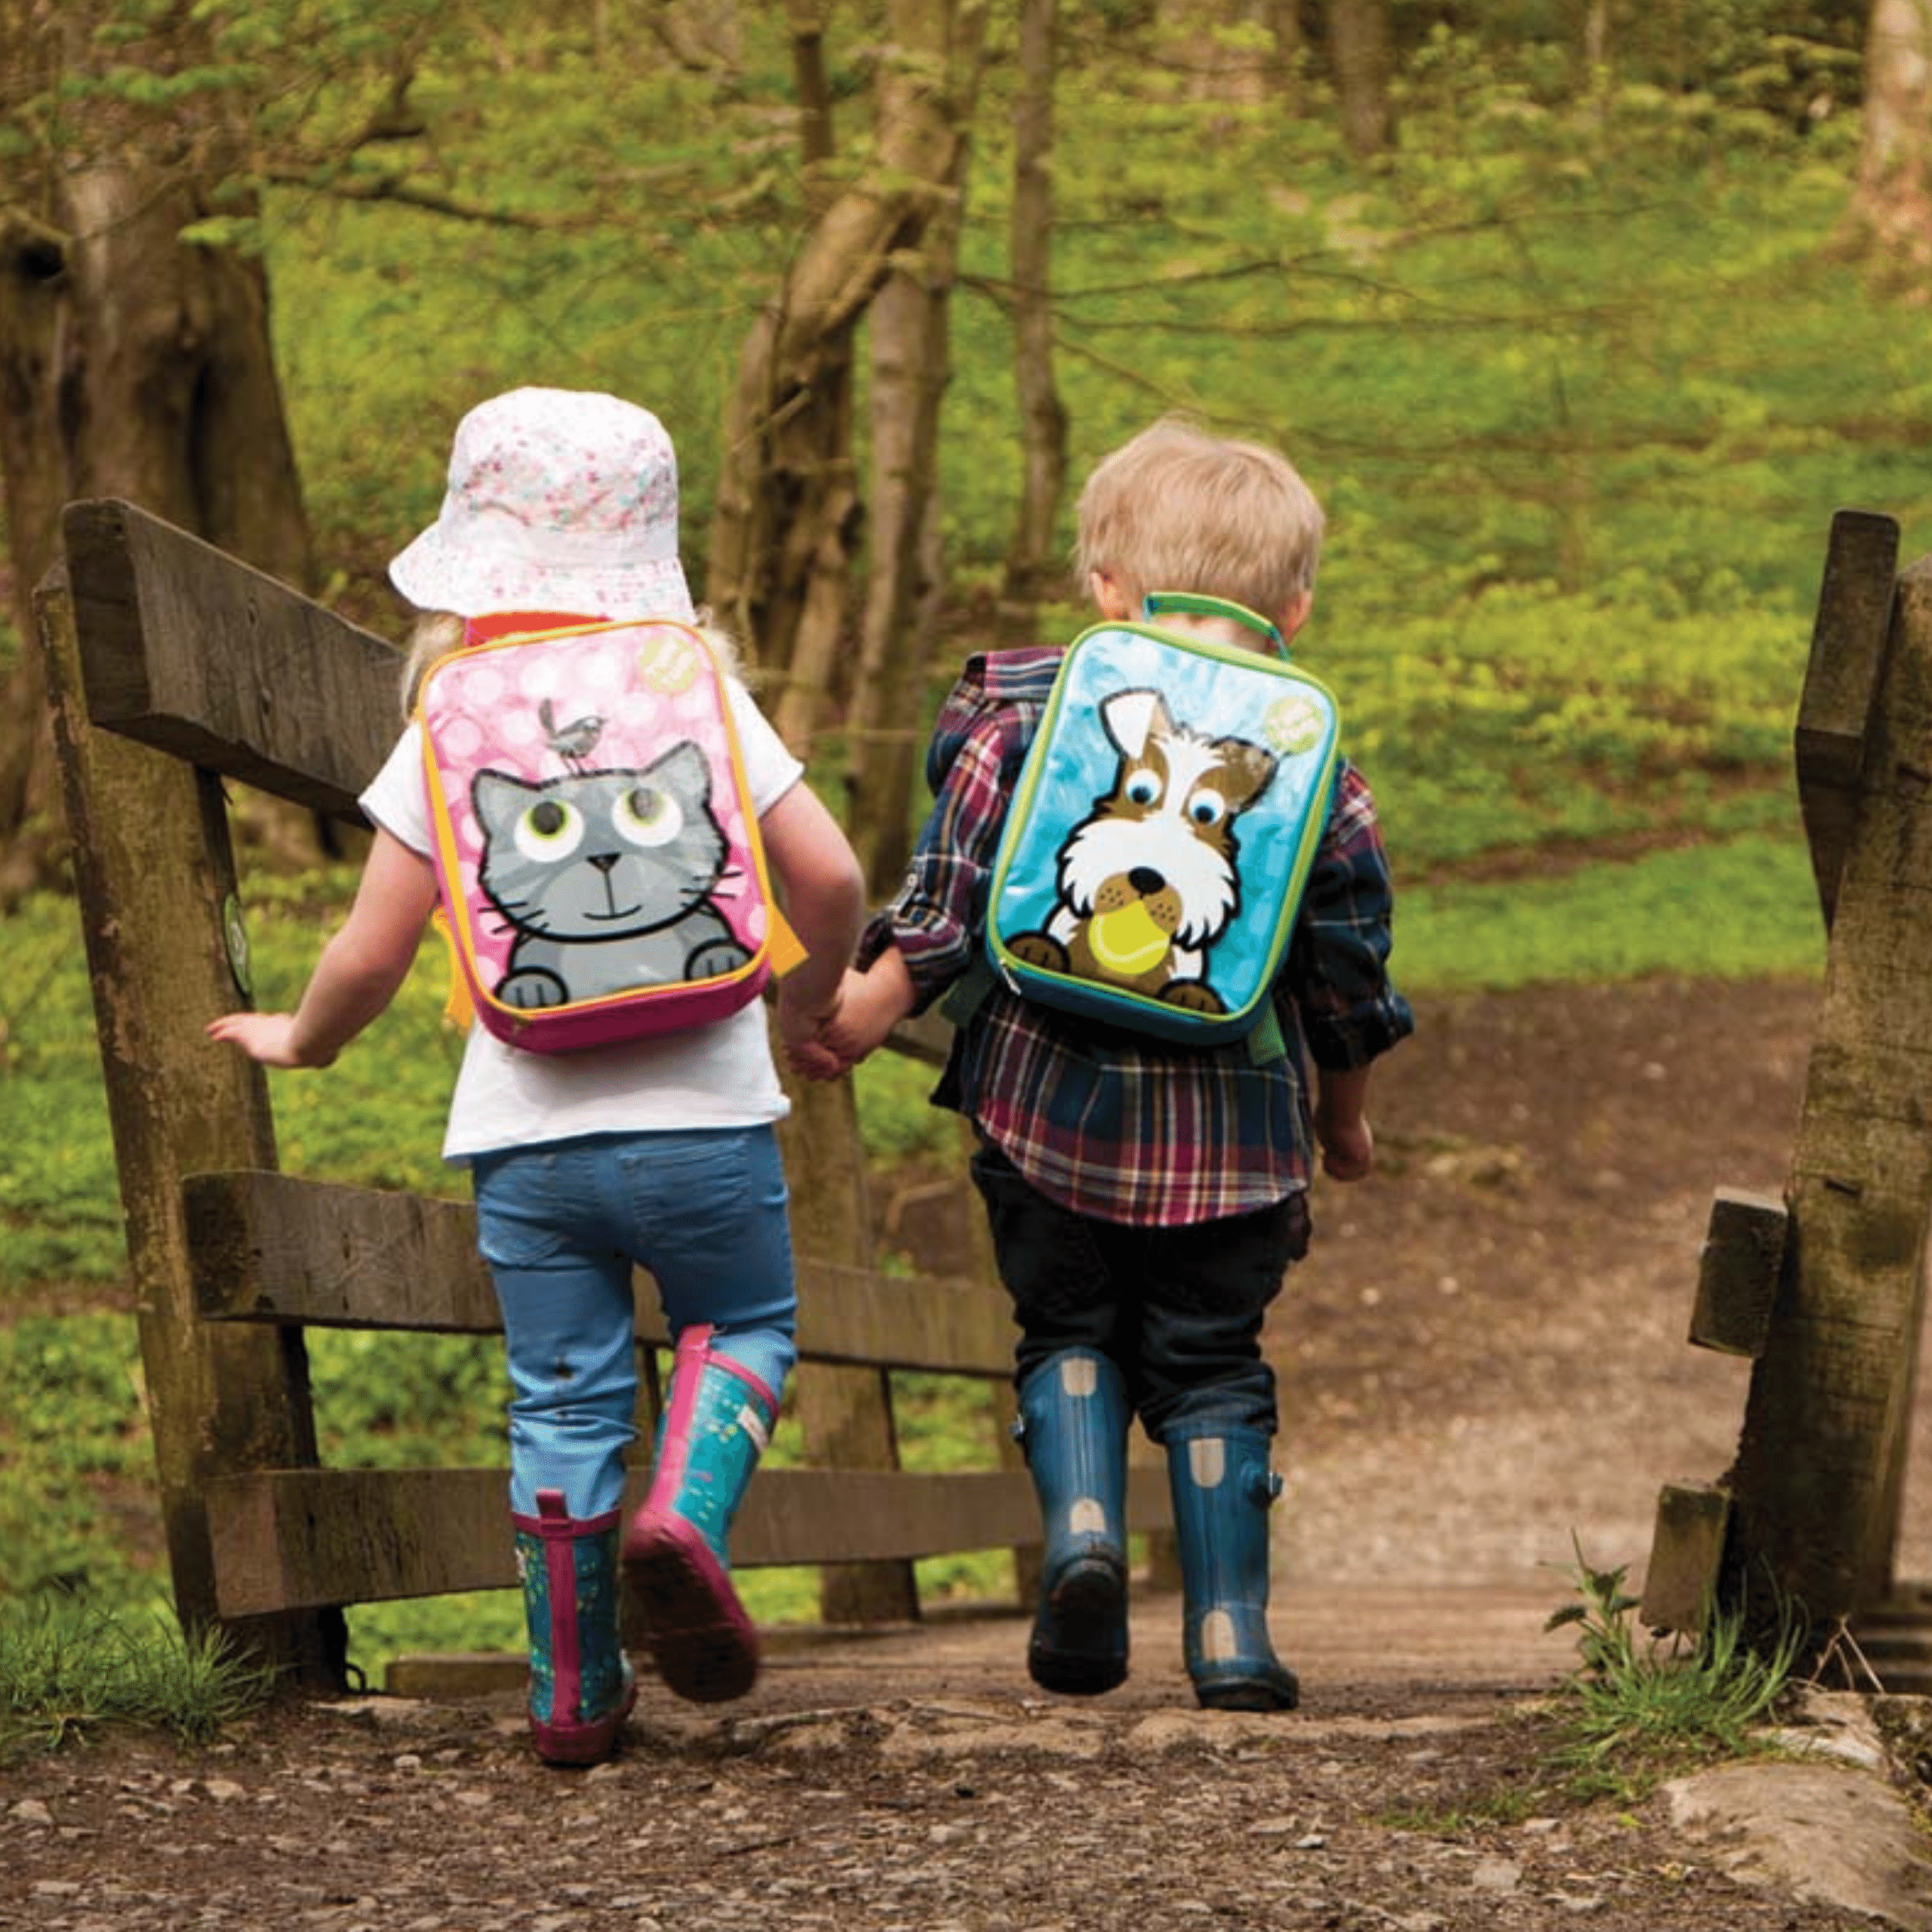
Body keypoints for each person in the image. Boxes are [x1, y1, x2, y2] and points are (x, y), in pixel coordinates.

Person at [208, 387, 865, 1764]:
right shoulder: (701, 696)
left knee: (560, 1398)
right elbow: (835, 875)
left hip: (528, 1139)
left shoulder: (443, 727)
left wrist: (302, 1039)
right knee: (740, 1326)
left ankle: (573, 1697)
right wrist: (808, 1005)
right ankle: (685, 1508)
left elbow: (372, 948)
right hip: (706, 1123)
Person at [814, 415, 1412, 1712]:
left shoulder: (1018, 713)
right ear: (1294, 604)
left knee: (1065, 1328)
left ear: (1104, 587)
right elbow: (1345, 981)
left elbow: (949, 902)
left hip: (1043, 1110)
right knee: (1212, 1367)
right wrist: (1346, 1121)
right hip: (1237, 1143)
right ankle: (1231, 1639)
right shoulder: (1325, 778)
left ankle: (1082, 1538)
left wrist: (859, 1014)